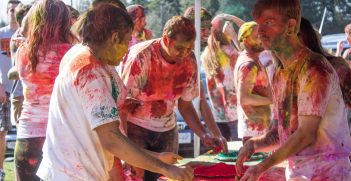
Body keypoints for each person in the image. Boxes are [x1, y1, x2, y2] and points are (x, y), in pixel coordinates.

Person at [36, 4, 193, 181]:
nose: (127, 49)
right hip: (71, 175)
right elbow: (110, 138)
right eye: (126, 41)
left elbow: (109, 133)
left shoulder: (89, 59)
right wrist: (165, 168)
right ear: (114, 37)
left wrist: (155, 157)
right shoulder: (91, 71)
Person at [236, 0, 351, 180]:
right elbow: (279, 133)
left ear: (290, 26)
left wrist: (263, 166)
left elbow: (306, 134)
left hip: (328, 173)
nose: (260, 31)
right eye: (259, 24)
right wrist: (253, 144)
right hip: (299, 172)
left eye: (268, 22)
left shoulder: (314, 68)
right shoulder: (279, 73)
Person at [121, 16, 220, 180]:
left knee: (166, 177)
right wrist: (124, 148)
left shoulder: (189, 60)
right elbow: (122, 108)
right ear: (166, 39)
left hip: (167, 130)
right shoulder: (141, 57)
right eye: (180, 48)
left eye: (189, 48)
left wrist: (204, 135)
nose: (185, 53)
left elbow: (185, 105)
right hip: (135, 129)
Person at [14, 0, 75, 180]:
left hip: (28, 135)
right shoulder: (73, 53)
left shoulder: (23, 51)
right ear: (65, 21)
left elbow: (24, 31)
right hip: (62, 136)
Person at [183, 6, 228, 149]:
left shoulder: (192, 56)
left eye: (209, 27)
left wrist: (216, 135)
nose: (208, 32)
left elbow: (201, 99)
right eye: (203, 27)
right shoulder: (182, 54)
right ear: (191, 27)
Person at [201, 15, 242, 141]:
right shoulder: (230, 53)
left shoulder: (207, 53)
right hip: (234, 110)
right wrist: (234, 35)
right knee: (237, 149)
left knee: (224, 149)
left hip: (218, 112)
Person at [234, 21, 272, 144]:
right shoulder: (248, 64)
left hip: (258, 126)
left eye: (262, 35)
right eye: (257, 37)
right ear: (245, 41)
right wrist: (272, 100)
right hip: (253, 129)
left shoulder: (253, 59)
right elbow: (244, 98)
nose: (261, 39)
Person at [0, 0, 20, 180]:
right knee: (2, 131)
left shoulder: (25, 34)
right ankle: (1, 171)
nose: (13, 12)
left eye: (16, 9)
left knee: (23, 133)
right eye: (11, 9)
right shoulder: (1, 34)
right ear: (6, 12)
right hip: (4, 89)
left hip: (23, 90)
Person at [8, 3, 31, 128]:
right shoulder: (17, 38)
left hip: (33, 94)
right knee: (23, 137)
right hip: (20, 95)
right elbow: (18, 66)